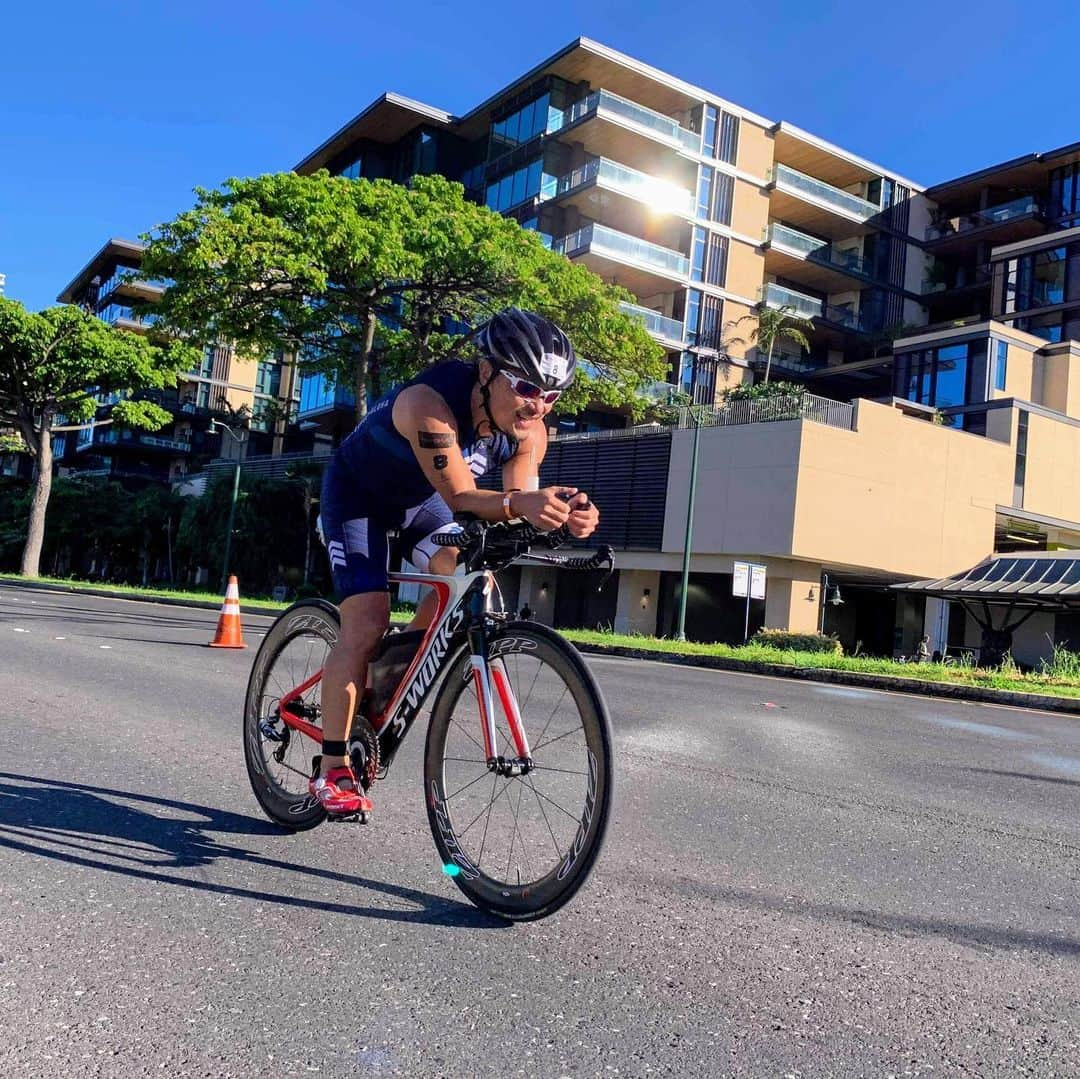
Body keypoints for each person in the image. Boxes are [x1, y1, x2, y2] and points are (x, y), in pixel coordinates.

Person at [313, 308, 600, 817]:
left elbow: (515, 505)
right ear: (487, 372)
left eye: (551, 396)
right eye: (526, 388)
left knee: (474, 582)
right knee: (366, 623)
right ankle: (333, 765)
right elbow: (467, 497)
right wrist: (519, 506)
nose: (538, 406)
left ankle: (387, 674)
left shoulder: (530, 431)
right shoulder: (428, 404)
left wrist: (563, 514)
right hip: (360, 500)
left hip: (426, 504)